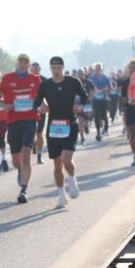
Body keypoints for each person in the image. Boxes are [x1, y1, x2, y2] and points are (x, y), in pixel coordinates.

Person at [35, 56, 88, 209]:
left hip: (69, 124)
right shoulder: (45, 85)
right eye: (53, 68)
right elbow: (36, 103)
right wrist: (40, 108)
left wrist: (79, 106)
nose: (56, 71)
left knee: (66, 159)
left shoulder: (73, 82)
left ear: (62, 68)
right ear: (50, 69)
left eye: (58, 68)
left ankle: (72, 179)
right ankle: (61, 195)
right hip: (53, 127)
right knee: (57, 164)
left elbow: (84, 97)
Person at [0, 53, 43, 203]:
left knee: (26, 157)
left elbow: (41, 98)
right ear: (17, 63)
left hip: (30, 121)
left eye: (26, 62)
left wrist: (43, 107)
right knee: (16, 160)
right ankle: (19, 170)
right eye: (21, 62)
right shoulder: (7, 78)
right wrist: (6, 105)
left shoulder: (35, 79)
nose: (23, 65)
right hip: (13, 122)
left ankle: (24, 190)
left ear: (29, 65)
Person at [117, 59, 135, 166]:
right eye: (130, 67)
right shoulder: (125, 81)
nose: (132, 69)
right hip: (129, 109)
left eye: (134, 67)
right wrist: (123, 103)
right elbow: (122, 96)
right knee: (131, 134)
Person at [30, 61, 48, 164]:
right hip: (28, 110)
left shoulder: (44, 80)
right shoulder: (26, 79)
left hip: (41, 109)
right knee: (31, 132)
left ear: (40, 69)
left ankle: (39, 155)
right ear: (30, 69)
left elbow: (49, 96)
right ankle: (32, 143)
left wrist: (45, 105)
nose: (36, 70)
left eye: (38, 68)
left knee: (40, 134)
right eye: (34, 68)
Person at [87, 63, 112, 140]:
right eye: (97, 68)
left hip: (104, 99)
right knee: (97, 116)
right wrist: (92, 93)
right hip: (94, 100)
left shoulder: (105, 77)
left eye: (99, 68)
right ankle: (98, 133)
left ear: (102, 69)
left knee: (103, 116)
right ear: (95, 69)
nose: (98, 70)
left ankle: (106, 128)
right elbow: (88, 88)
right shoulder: (91, 78)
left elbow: (110, 88)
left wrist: (103, 90)